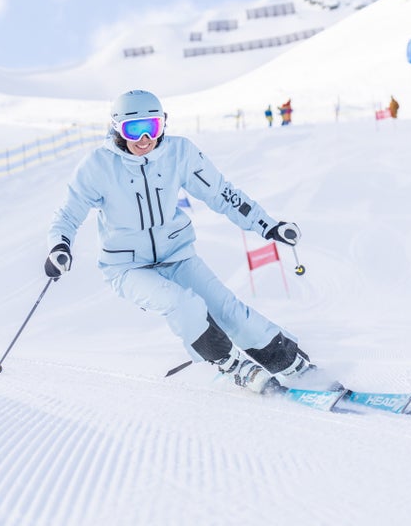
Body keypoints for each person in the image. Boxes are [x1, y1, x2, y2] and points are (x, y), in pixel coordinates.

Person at [44, 90, 315, 395]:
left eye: (153, 126)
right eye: (134, 129)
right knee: (183, 305)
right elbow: (68, 214)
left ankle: (291, 364)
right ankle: (231, 364)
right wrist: (59, 246)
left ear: (163, 125)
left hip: (177, 256)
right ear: (117, 128)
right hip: (127, 267)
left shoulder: (179, 153)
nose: (145, 137)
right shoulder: (98, 166)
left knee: (230, 311)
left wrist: (268, 226)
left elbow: (222, 194)